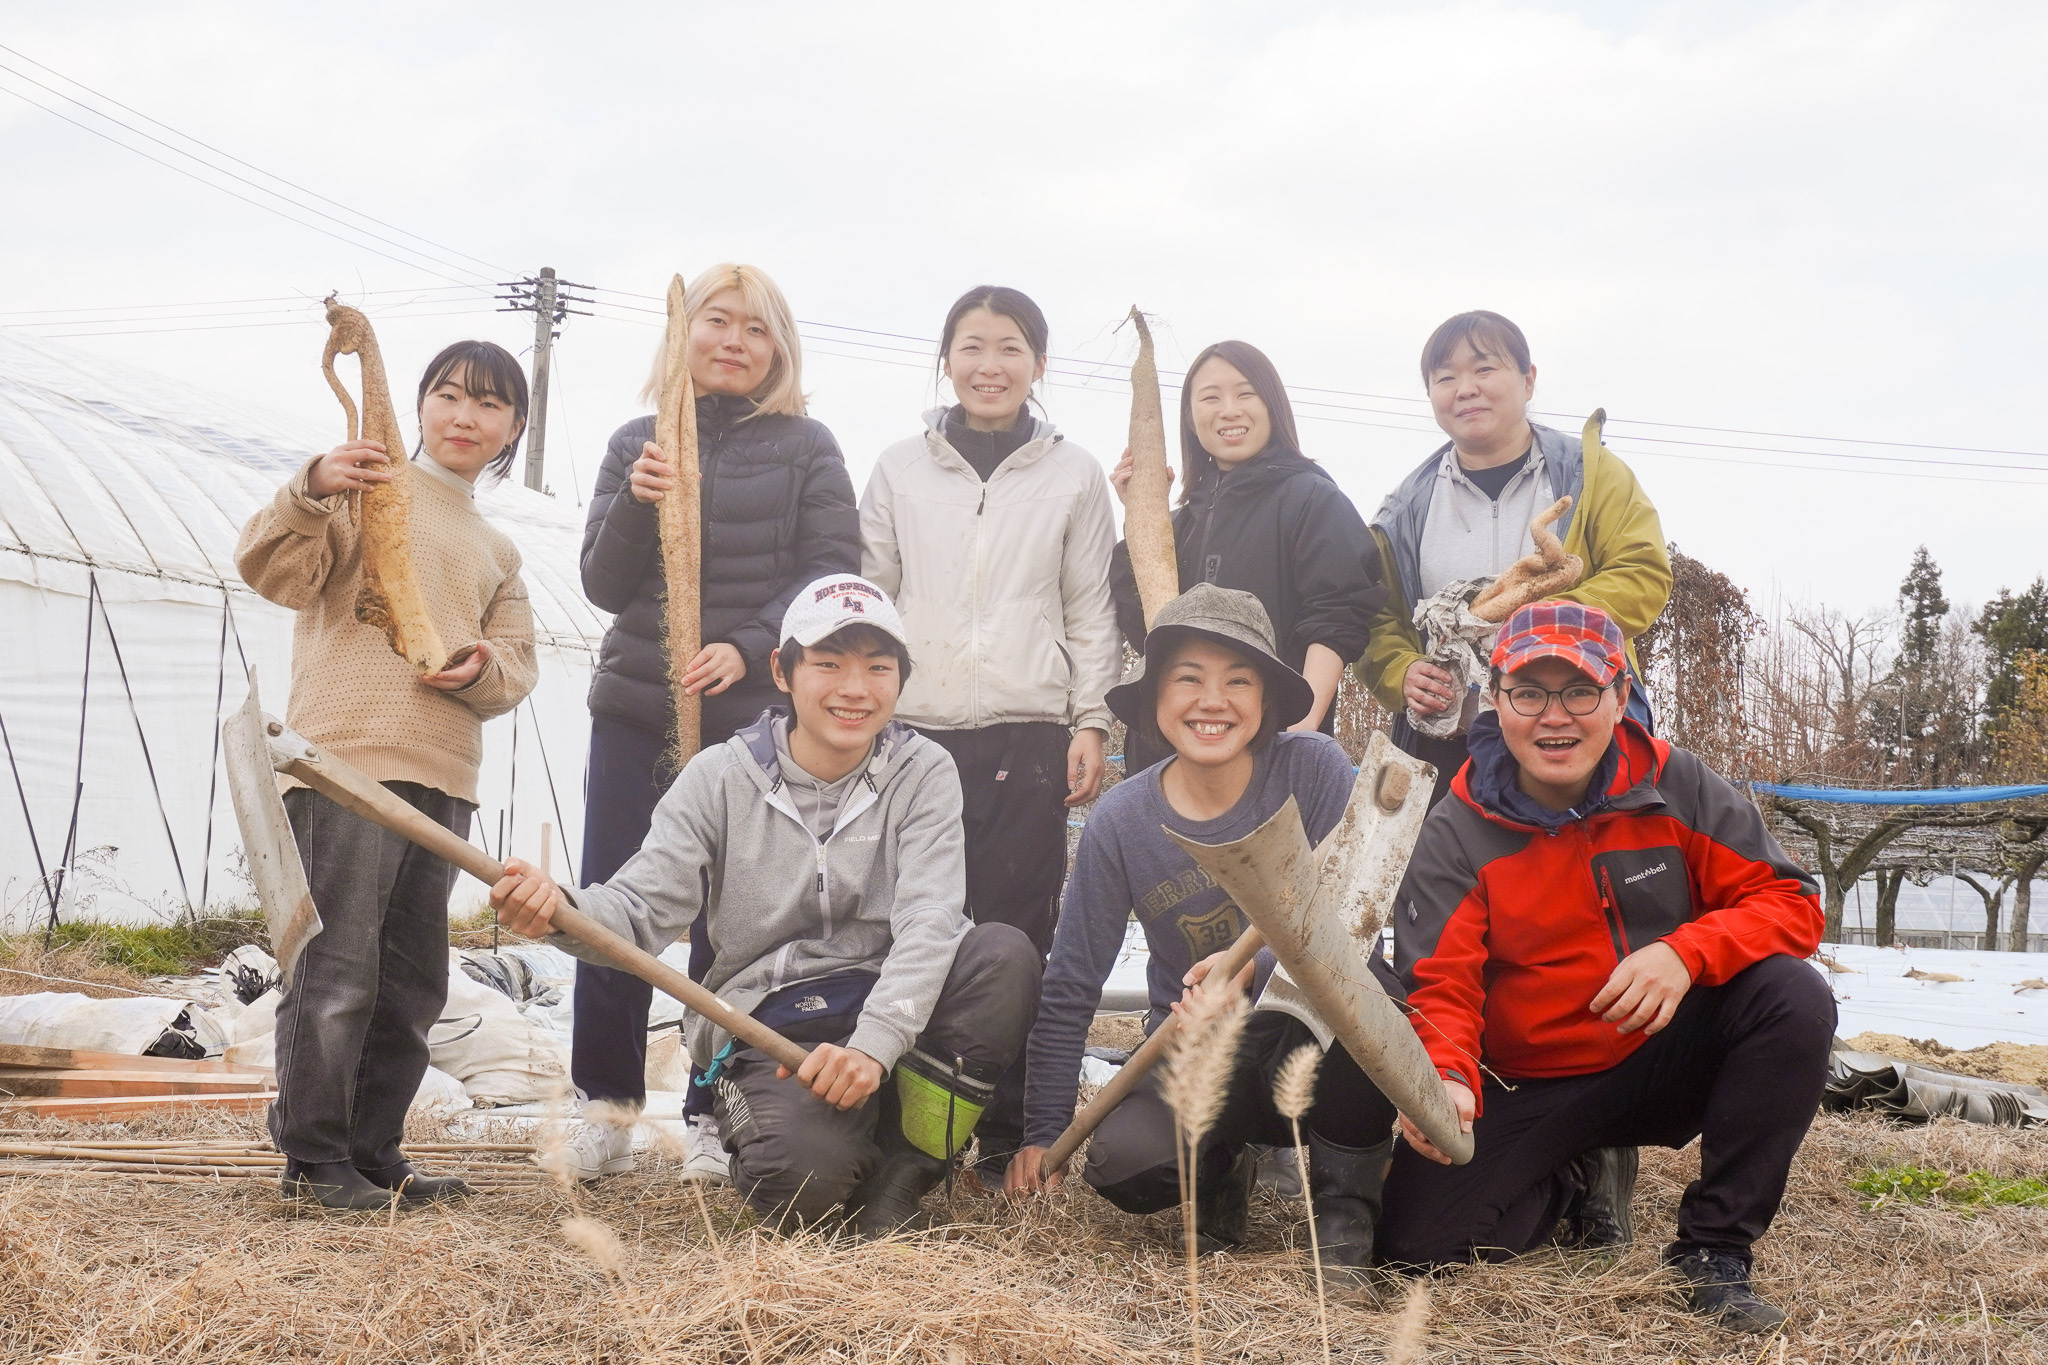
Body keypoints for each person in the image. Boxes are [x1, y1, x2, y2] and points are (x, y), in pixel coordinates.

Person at [491, 576, 1043, 1235]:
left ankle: (905, 1173)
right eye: (829, 663)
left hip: (886, 1008)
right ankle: (809, 1128)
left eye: (878, 667)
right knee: (798, 1180)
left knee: (1001, 955)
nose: (854, 688)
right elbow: (639, 910)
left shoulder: (922, 770)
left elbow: (930, 916)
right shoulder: (721, 776)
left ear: (901, 680)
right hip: (770, 1025)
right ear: (782, 671)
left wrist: (873, 1046)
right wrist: (559, 910)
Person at [1378, 601, 1834, 1335]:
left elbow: (1792, 902)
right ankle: (1574, 1174)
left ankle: (1714, 1249)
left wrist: (1686, 952)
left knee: (1792, 997)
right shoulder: (1456, 826)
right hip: (1533, 1077)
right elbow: (1442, 984)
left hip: (1663, 1050)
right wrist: (1450, 1079)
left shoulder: (1677, 783)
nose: (1554, 716)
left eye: (1580, 691)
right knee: (1414, 1248)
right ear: (1496, 700)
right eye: (1529, 692)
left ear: (1621, 697)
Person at [1006, 584, 1402, 1281]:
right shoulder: (1122, 821)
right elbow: (1070, 983)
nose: (1211, 700)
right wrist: (1042, 1134)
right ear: (1156, 700)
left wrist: (1258, 967)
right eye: (1188, 678)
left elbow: (1359, 915)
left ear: (1266, 701)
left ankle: (1344, 1211)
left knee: (1369, 998)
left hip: (1309, 1036)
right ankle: (1221, 1166)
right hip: (1196, 1049)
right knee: (1127, 1160)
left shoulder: (1312, 772)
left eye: (1237, 681)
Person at [568, 263, 860, 1184]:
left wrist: (746, 642)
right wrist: (635, 503)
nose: (734, 341)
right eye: (717, 322)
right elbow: (604, 586)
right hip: (635, 706)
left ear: (779, 350)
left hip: (748, 720)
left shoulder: (808, 446)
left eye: (756, 329)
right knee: (613, 901)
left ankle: (709, 1107)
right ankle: (604, 1103)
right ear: (683, 335)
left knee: (734, 921)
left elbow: (831, 572)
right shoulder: (634, 442)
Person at [235, 339, 538, 1209]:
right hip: (343, 758)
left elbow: (516, 665)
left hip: (443, 772)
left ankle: (374, 1150)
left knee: (411, 982)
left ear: (514, 428)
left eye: (488, 405)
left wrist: (476, 666)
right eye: (447, 395)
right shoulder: (363, 492)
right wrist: (312, 486)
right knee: (336, 968)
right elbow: (271, 570)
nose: (464, 416)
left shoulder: (497, 547)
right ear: (419, 406)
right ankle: (312, 1157)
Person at [860, 284, 1121, 1180]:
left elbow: (1090, 607)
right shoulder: (899, 467)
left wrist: (1089, 718)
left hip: (1028, 726)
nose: (989, 365)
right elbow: (873, 596)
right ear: (946, 360)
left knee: (1020, 924)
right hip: (917, 727)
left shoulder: (1072, 473)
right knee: (917, 921)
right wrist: (873, 710)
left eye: (1010, 347)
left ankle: (1005, 1134)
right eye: (971, 346)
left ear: (1038, 365)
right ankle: (907, 1129)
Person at [1360, 310, 1671, 806]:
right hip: (1451, 747)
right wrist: (1402, 672)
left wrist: (1540, 620)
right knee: (1452, 882)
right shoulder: (1405, 507)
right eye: (1446, 377)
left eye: (1485, 369)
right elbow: (1376, 617)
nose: (1465, 388)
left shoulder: (1592, 475)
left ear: (1528, 380)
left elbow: (1642, 574)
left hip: (1573, 733)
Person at [1109, 340, 1383, 775]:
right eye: (1210, 397)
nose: (1229, 410)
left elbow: (1338, 616)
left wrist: (1304, 726)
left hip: (1272, 748)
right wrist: (1141, 518)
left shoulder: (1313, 498)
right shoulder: (1180, 523)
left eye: (1245, 393)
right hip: (1171, 755)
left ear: (1272, 405)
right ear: (1190, 417)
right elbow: (1146, 632)